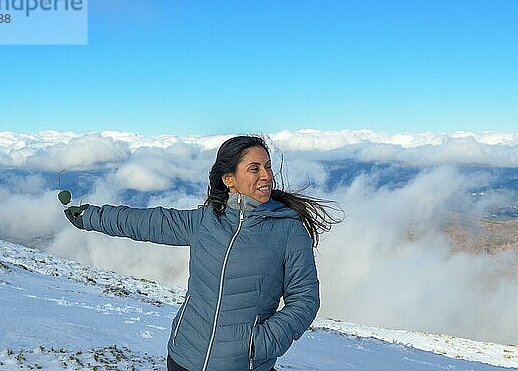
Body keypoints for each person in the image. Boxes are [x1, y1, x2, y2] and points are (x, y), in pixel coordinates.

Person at [64, 135, 340, 371]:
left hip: (244, 364)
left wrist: (259, 344)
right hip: (184, 356)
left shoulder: (288, 230)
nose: (266, 176)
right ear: (229, 179)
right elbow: (145, 222)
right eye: (254, 168)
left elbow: (304, 300)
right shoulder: (207, 221)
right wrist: (89, 216)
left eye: (267, 167)